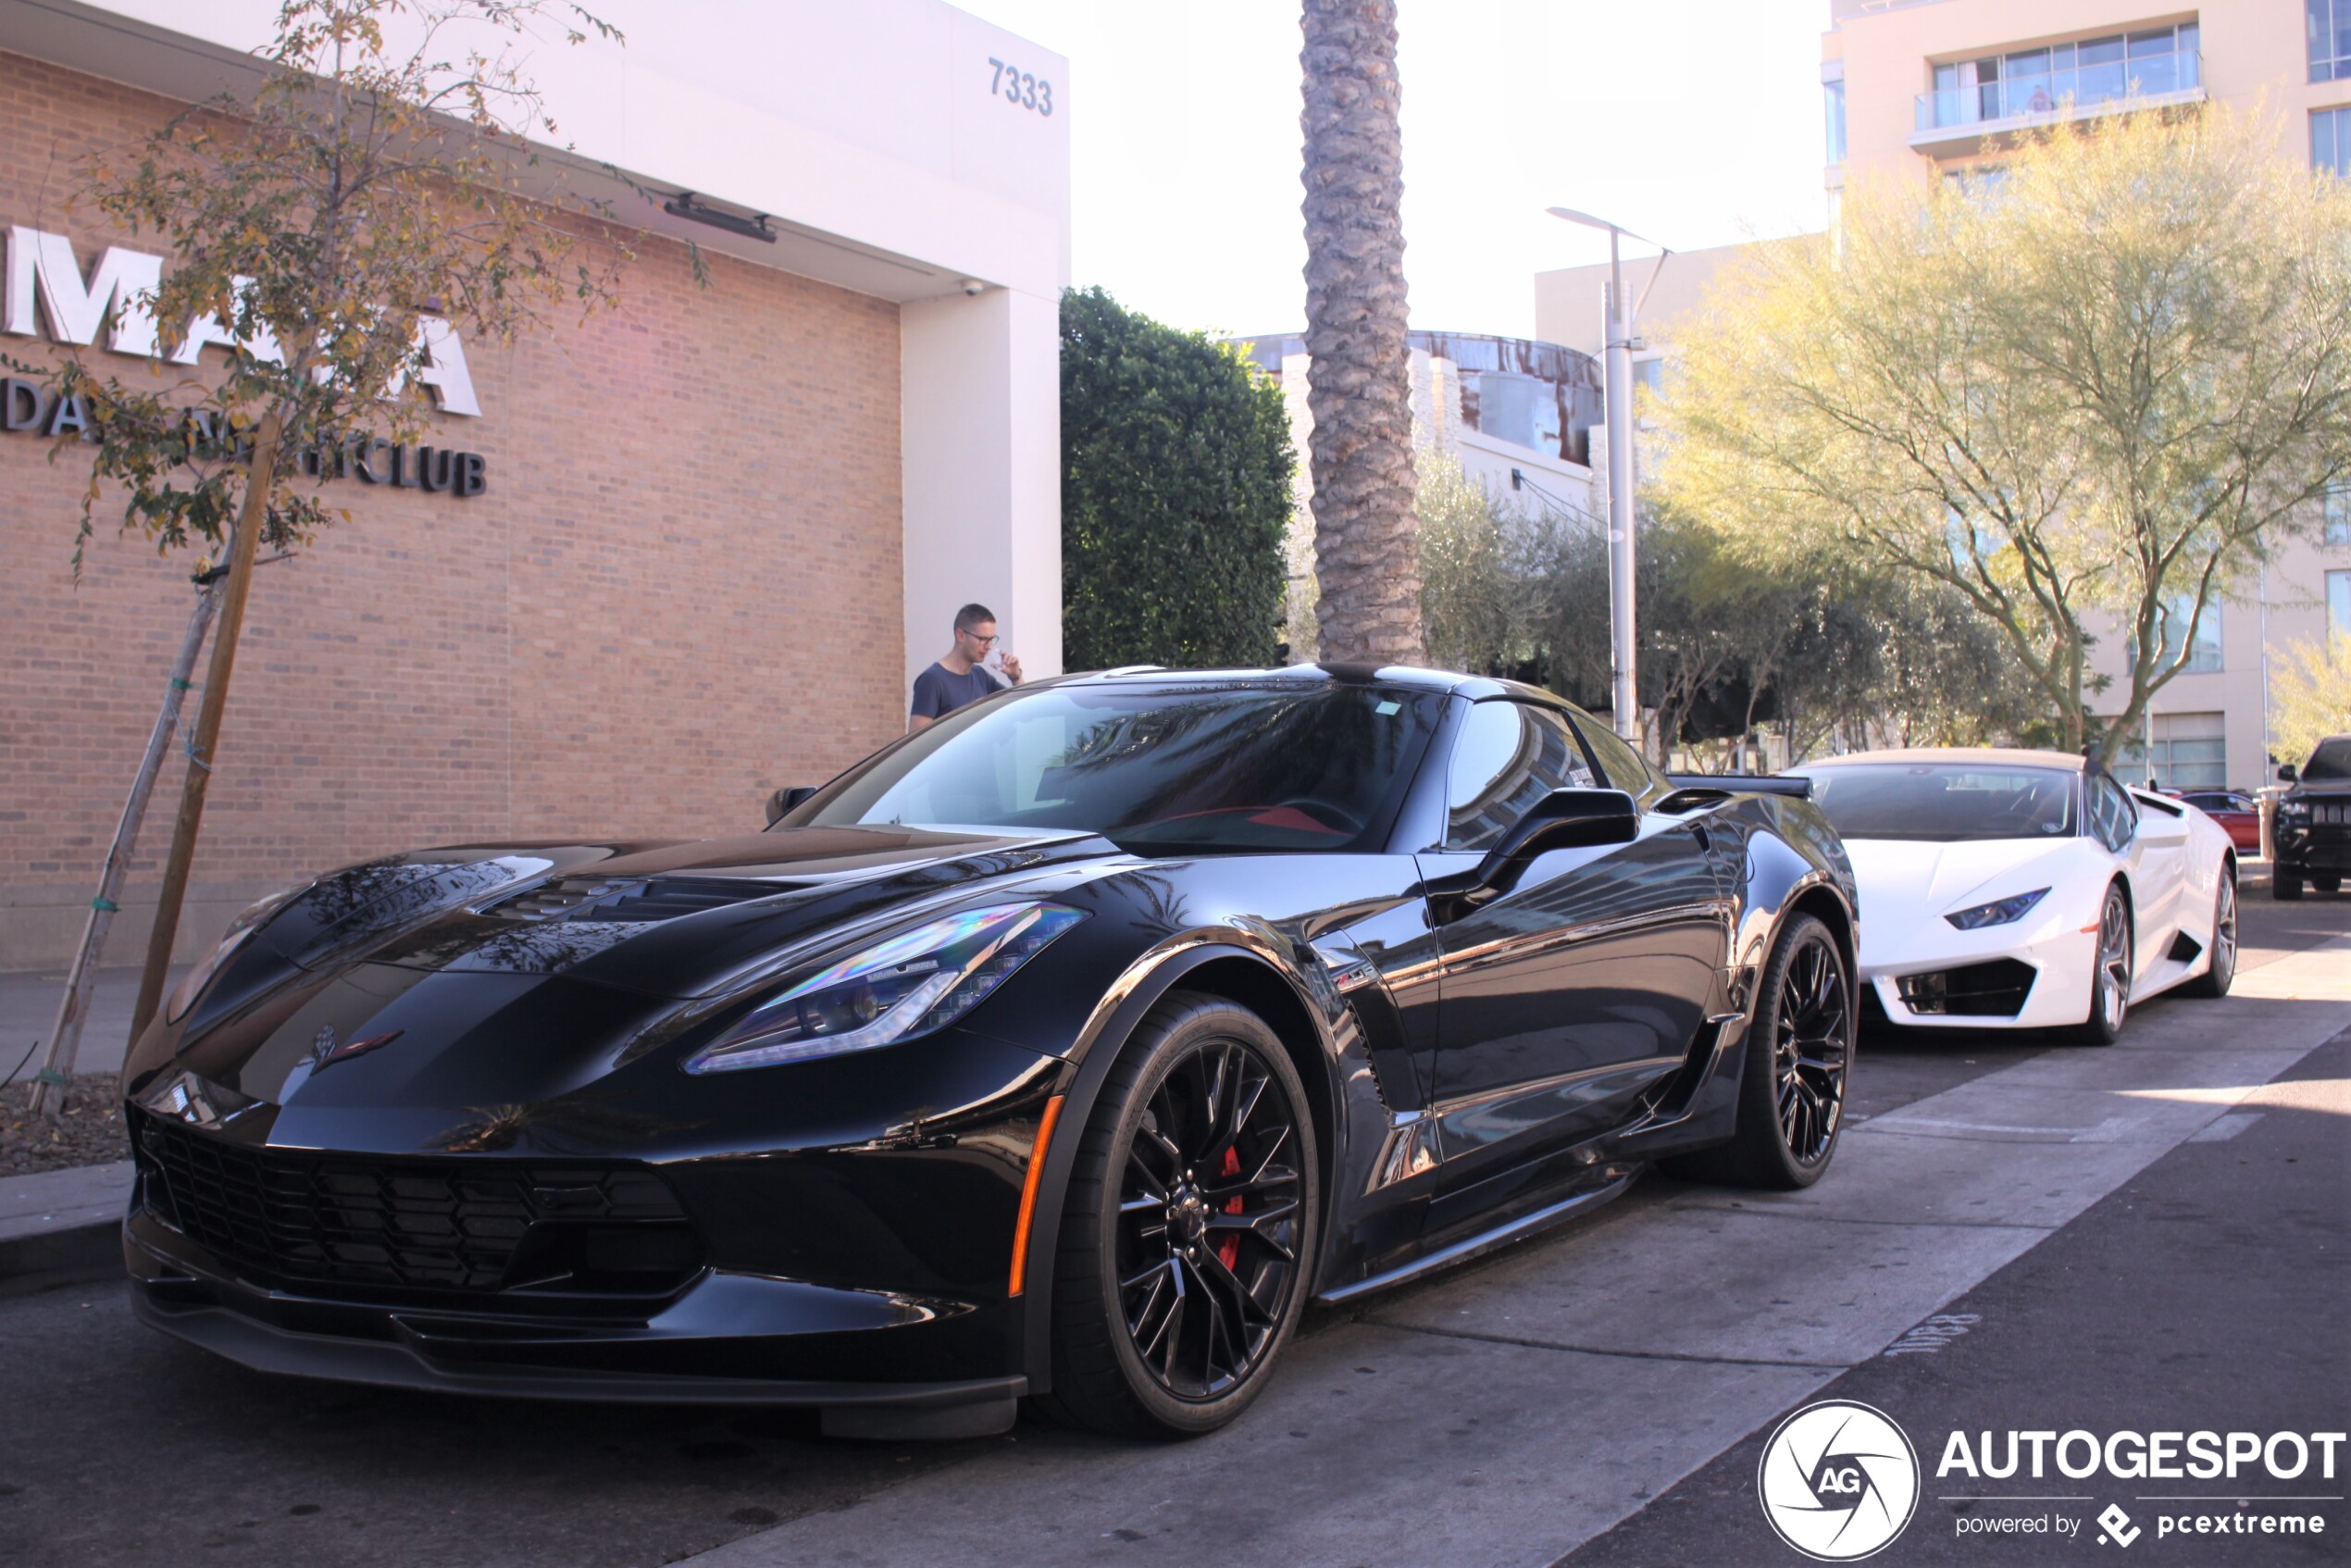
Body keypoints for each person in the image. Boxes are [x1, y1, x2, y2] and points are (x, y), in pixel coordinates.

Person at [909, 603, 1023, 731]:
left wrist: (1015, 676)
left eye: (991, 639)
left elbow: (1021, 708)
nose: (989, 646)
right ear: (961, 635)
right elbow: (916, 740)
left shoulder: (981, 676)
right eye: (982, 639)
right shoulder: (932, 680)